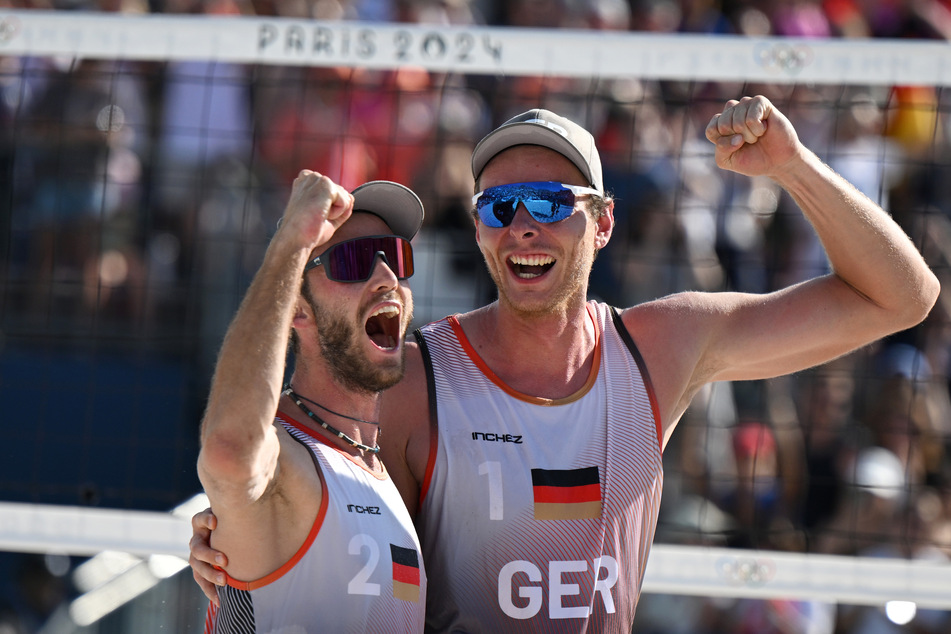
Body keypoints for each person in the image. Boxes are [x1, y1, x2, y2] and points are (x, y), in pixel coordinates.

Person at [191, 96, 939, 632]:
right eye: (497, 207)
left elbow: (902, 298)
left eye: (549, 203)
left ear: (603, 222)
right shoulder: (419, 377)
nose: (521, 226)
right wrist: (227, 527)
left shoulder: (662, 347)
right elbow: (279, 480)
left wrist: (792, 166)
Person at [197, 172, 427, 633]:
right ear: (297, 308)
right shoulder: (289, 462)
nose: (386, 277)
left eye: (395, 258)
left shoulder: (378, 467)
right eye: (355, 260)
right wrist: (291, 245)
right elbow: (229, 448)